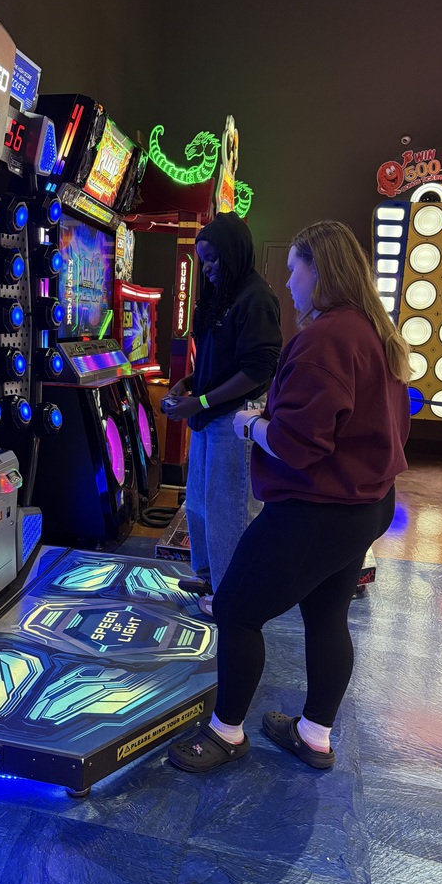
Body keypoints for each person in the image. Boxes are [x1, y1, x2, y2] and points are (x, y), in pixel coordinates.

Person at [167, 219, 411, 773]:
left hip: (316, 508)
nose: (287, 280)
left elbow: (296, 446)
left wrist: (252, 425)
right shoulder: (374, 329)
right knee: (326, 615)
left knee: (235, 609)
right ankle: (314, 735)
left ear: (318, 270)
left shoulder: (326, 338)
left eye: (293, 268)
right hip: (368, 504)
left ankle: (225, 733)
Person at [162, 211, 282, 616]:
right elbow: (218, 361)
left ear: (233, 253)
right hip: (208, 413)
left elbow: (258, 369)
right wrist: (188, 384)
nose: (207, 267)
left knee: (229, 510)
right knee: (199, 503)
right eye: (203, 260)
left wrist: (201, 401)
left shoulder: (256, 298)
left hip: (234, 418)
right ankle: (212, 576)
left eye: (213, 258)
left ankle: (233, 594)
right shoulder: (220, 295)